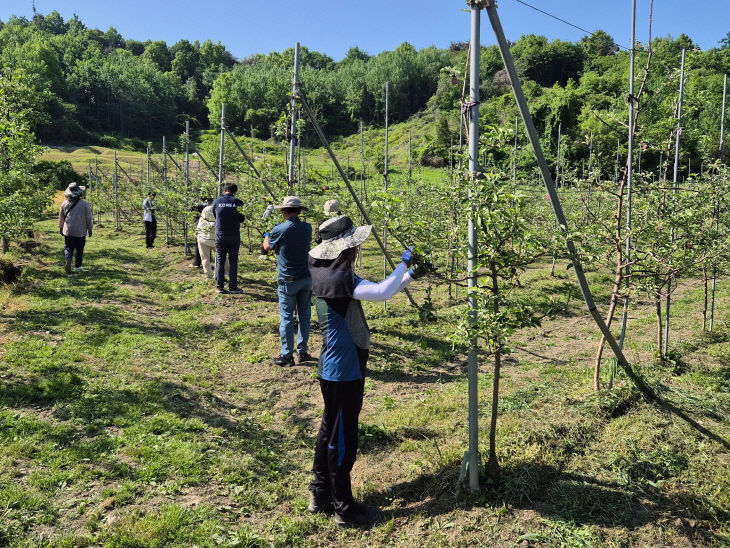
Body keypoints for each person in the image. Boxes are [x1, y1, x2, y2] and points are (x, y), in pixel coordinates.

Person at [306, 215, 430, 528]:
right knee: (343, 438)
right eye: (355, 244)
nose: (359, 247)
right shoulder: (340, 278)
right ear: (347, 249)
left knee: (328, 430)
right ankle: (344, 508)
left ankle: (320, 493)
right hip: (344, 368)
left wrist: (410, 275)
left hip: (331, 365)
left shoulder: (324, 271)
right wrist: (404, 264)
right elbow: (380, 293)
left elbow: (377, 290)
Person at [262, 196, 313, 366]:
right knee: (305, 315)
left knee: (287, 318)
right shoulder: (307, 228)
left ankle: (287, 356)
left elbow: (267, 247)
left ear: (284, 211)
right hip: (306, 278)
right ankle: (303, 351)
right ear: (299, 211)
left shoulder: (280, 229)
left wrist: (267, 235)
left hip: (288, 280)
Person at [211, 183, 244, 294]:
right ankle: (233, 287)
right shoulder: (238, 202)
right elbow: (242, 218)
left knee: (220, 260)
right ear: (235, 192)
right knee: (233, 261)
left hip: (220, 235)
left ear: (224, 191)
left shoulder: (216, 202)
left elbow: (216, 216)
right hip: (234, 236)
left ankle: (220, 287)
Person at [58, 182, 93, 274]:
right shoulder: (84, 204)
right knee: (79, 248)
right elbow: (88, 217)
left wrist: (61, 227)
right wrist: (90, 228)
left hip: (68, 230)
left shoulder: (64, 203)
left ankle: (68, 258)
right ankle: (78, 266)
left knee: (68, 247)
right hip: (80, 230)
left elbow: (61, 216)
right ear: (79, 193)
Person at [195, 202, 228, 280]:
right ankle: (226, 273)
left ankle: (209, 276)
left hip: (205, 237)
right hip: (216, 237)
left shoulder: (207, 209)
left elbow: (202, 222)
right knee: (222, 256)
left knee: (205, 257)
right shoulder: (224, 209)